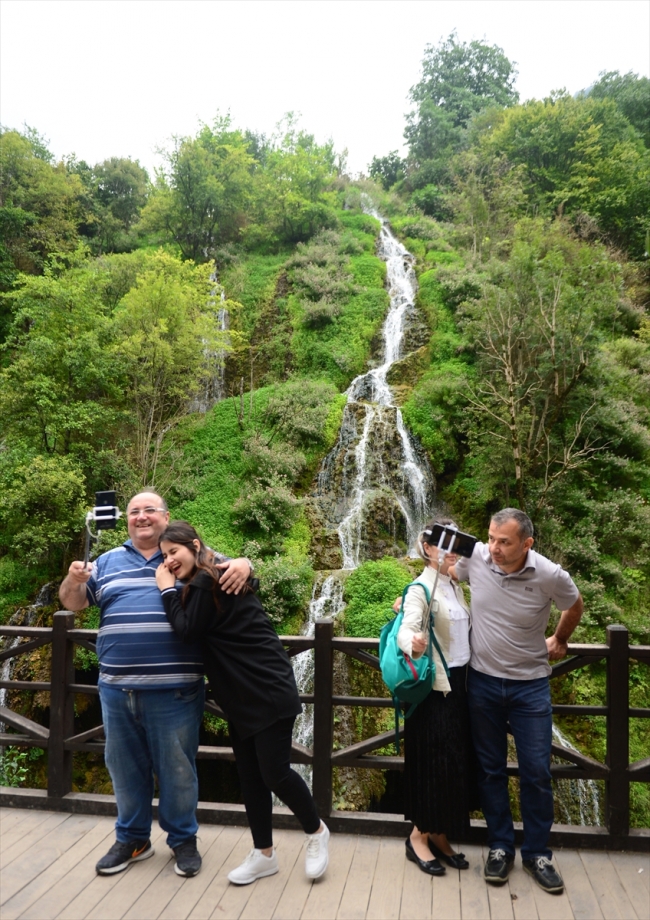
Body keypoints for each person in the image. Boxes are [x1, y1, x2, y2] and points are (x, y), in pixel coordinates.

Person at [59, 491, 252, 878]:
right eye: (134, 512)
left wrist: (246, 562)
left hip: (176, 689)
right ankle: (133, 839)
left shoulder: (190, 556)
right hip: (116, 688)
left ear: (166, 517)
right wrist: (73, 579)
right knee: (124, 768)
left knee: (177, 770)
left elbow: (237, 570)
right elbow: (74, 603)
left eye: (150, 510)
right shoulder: (107, 561)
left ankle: (182, 841)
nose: (141, 517)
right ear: (126, 519)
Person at [155, 520, 330, 884]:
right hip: (239, 692)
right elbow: (246, 585)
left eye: (174, 552)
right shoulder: (214, 573)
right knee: (251, 777)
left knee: (275, 773)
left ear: (195, 544)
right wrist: (244, 564)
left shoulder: (204, 579)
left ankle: (316, 833)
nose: (169, 561)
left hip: (265, 685)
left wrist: (167, 591)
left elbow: (187, 631)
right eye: (164, 557)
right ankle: (264, 854)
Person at [450, 508, 584, 895]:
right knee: (490, 769)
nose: (494, 548)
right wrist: (408, 600)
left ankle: (538, 853)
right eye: (491, 538)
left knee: (536, 773)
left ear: (527, 543)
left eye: (504, 542)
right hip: (483, 683)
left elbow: (573, 605)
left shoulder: (549, 574)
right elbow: (442, 570)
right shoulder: (476, 556)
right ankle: (500, 847)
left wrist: (559, 639)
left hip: (530, 686)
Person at [396, 518, 478, 876]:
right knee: (433, 764)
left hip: (460, 687)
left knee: (454, 764)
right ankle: (417, 837)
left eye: (455, 541)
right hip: (433, 691)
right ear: (428, 548)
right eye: (444, 541)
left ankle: (440, 835)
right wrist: (411, 643)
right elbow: (408, 628)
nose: (452, 548)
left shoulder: (454, 585)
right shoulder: (420, 587)